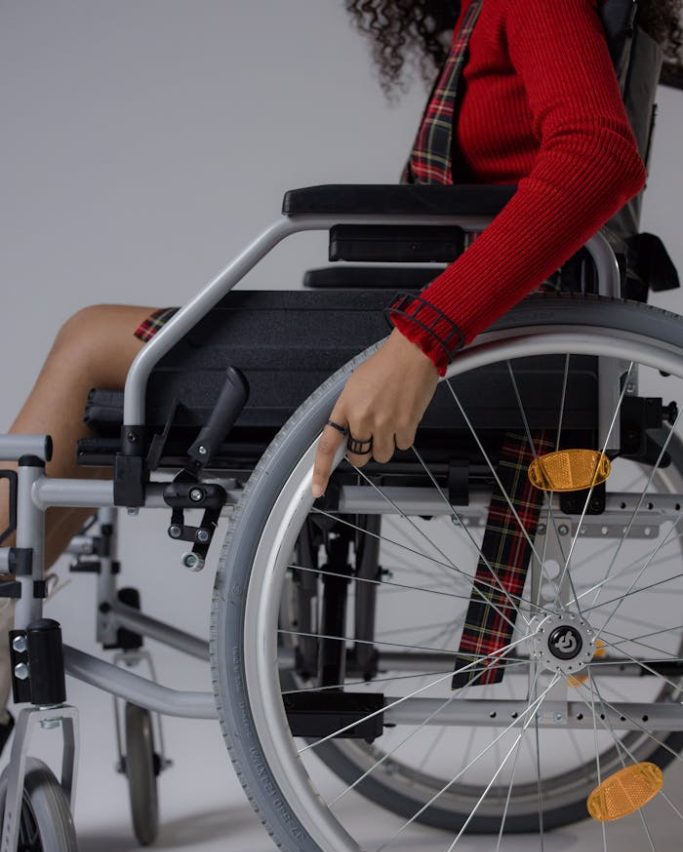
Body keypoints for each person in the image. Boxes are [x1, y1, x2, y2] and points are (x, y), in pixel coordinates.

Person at [0, 0, 681, 755]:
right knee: (103, 387)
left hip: (479, 341)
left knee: (93, 342)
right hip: (488, 330)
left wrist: (422, 338)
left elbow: (597, 155)